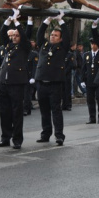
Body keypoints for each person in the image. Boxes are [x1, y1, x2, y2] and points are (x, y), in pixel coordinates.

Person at [0, 10, 31, 150]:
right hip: (4, 82)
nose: (14, 37)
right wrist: (9, 19)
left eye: (17, 35)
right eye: (13, 36)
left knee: (16, 112)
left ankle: (17, 139)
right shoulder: (8, 47)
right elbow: (3, 32)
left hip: (16, 83)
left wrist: (17, 21)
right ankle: (5, 138)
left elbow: (24, 35)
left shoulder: (24, 47)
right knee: (4, 112)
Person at [35, 10, 70, 146]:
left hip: (55, 83)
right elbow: (39, 34)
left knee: (56, 110)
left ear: (60, 39)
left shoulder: (62, 48)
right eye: (52, 35)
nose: (53, 37)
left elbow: (67, 36)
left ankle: (59, 135)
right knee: (44, 110)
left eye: (56, 35)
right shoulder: (44, 46)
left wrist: (61, 21)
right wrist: (47, 20)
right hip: (41, 82)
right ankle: (45, 134)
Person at [81, 36, 99, 124]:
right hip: (89, 81)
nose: (93, 46)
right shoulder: (87, 55)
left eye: (94, 44)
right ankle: (92, 118)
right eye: (92, 44)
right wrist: (82, 80)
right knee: (90, 100)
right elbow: (83, 68)